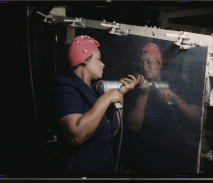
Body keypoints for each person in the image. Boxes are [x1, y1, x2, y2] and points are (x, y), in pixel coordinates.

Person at [50, 35, 140, 173]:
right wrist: (105, 99)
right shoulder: (66, 87)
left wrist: (120, 93)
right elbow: (76, 136)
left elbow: (114, 131)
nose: (103, 64)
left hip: (105, 162)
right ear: (85, 60)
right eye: (98, 59)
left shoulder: (94, 89)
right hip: (82, 166)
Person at [124, 43, 201, 173]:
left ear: (159, 64)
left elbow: (197, 117)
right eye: (141, 63)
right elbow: (133, 125)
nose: (144, 67)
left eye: (149, 62)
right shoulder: (134, 89)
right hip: (145, 156)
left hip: (174, 154)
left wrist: (175, 98)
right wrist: (143, 94)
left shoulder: (176, 84)